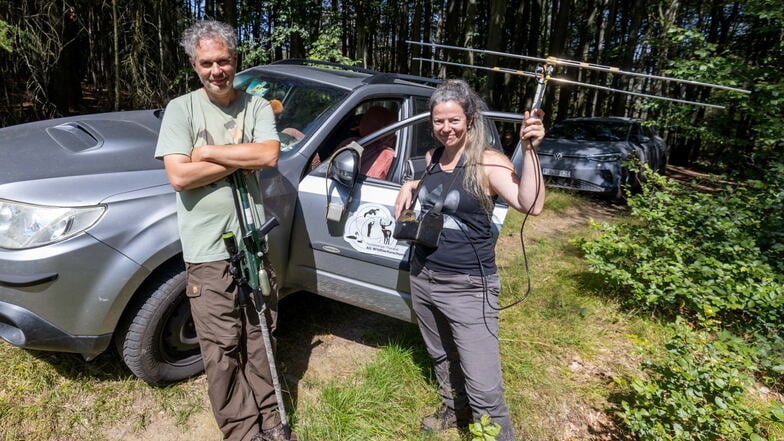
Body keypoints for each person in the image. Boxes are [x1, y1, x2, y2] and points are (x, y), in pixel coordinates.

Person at [154, 20, 296, 441]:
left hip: (254, 242)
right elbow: (179, 176)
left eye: (224, 60)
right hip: (209, 250)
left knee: (260, 335)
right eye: (207, 63)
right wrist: (241, 156)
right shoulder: (182, 109)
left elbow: (269, 154)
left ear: (236, 60)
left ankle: (272, 421)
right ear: (194, 65)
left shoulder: (254, 106)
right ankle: (242, 431)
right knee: (221, 346)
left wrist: (211, 151)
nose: (217, 70)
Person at [394, 79, 545, 441]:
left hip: (468, 285)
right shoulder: (432, 158)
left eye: (454, 121)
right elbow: (434, 188)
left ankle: (494, 434)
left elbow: (532, 204)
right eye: (439, 121)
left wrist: (531, 150)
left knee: (483, 379)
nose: (446, 128)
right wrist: (410, 185)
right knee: (441, 355)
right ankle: (453, 406)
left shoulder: (487, 162)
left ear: (471, 119)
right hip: (423, 275)